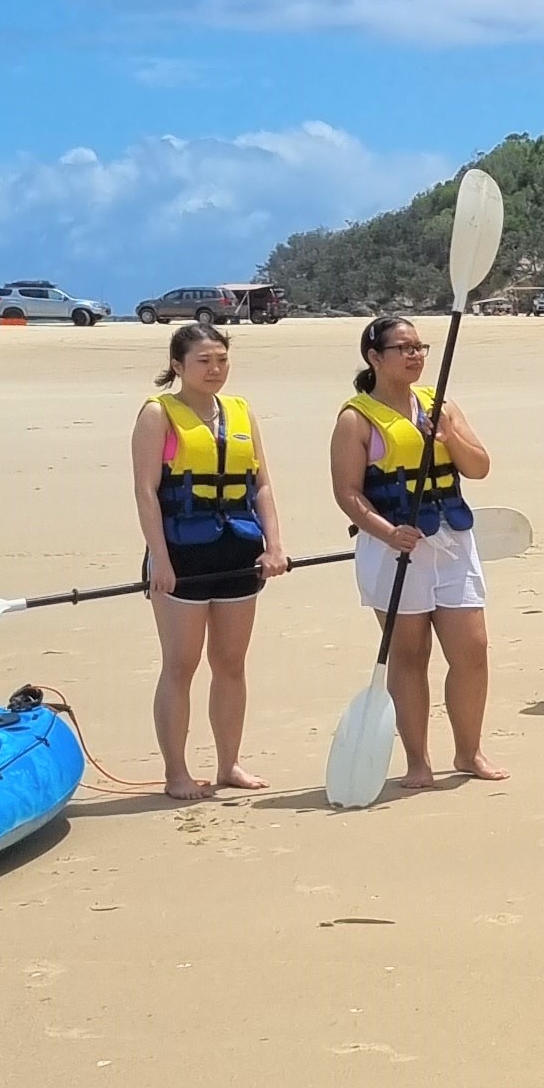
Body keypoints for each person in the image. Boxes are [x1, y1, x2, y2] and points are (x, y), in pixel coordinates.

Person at [330, 313, 503, 788]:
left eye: (419, 347)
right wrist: (386, 531)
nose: (415, 356)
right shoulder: (355, 419)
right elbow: (348, 492)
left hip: (451, 539)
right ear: (375, 358)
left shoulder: (440, 406)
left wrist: (448, 439)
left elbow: (480, 466)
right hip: (394, 548)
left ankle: (469, 752)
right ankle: (418, 762)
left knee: (473, 649)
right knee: (410, 655)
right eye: (403, 348)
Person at [130, 318, 288, 799]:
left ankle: (228, 763)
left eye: (222, 359)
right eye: (204, 361)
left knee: (231, 664)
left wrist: (275, 545)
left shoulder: (240, 411)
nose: (215, 368)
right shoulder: (159, 414)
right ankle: (176, 771)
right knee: (181, 664)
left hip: (238, 549)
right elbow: (146, 491)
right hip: (181, 553)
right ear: (178, 366)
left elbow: (260, 483)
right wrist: (160, 559)